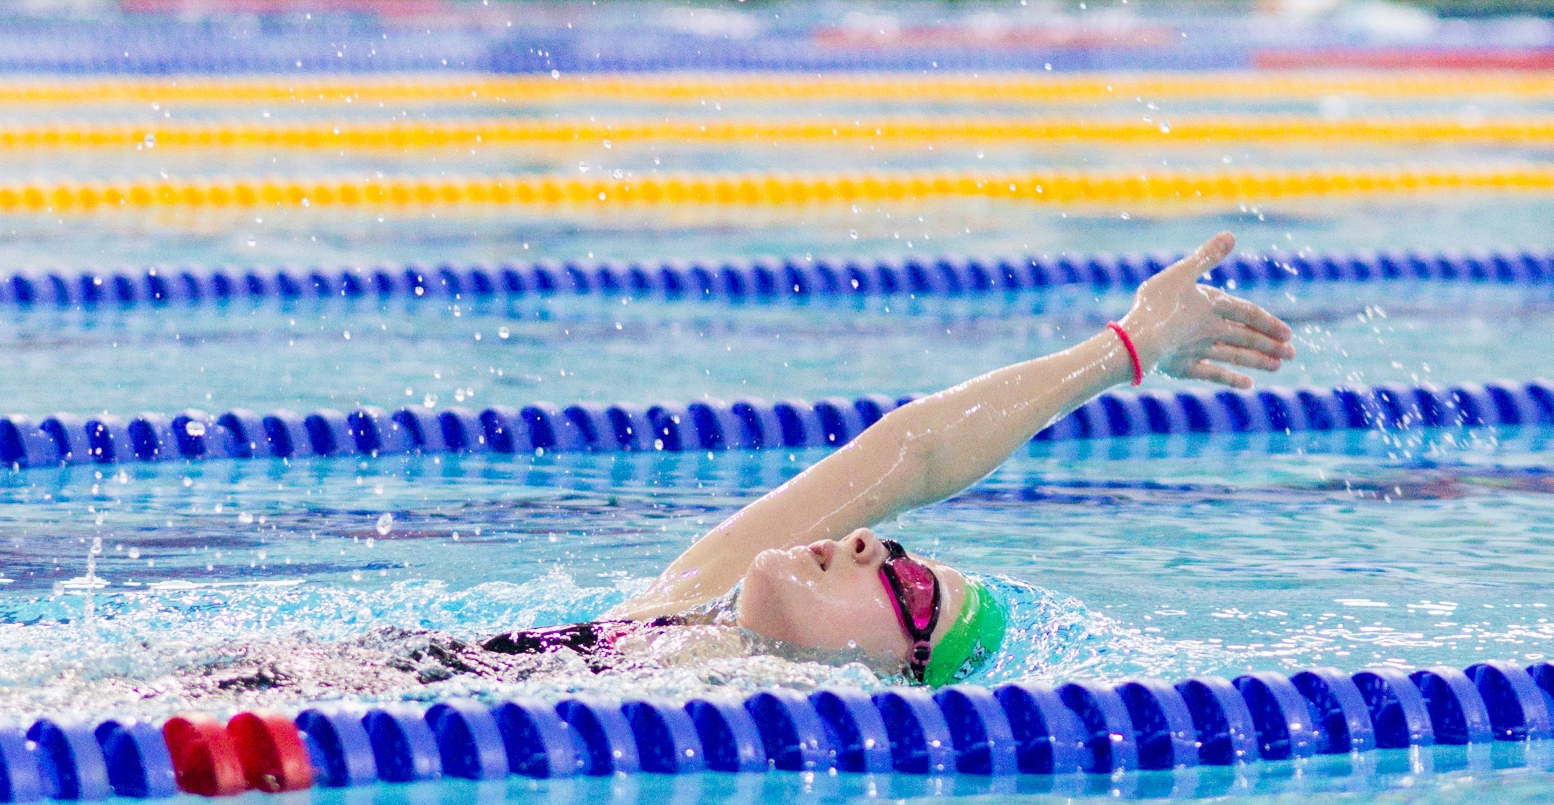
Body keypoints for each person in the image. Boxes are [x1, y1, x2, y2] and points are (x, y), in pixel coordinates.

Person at [482, 232, 1295, 685]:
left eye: (905, 584)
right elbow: (913, 452)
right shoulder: (664, 613)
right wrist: (1131, 345)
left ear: (887, 671)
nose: (871, 538)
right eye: (896, 551)